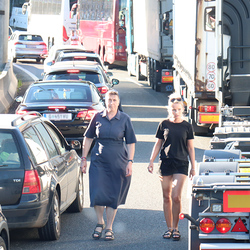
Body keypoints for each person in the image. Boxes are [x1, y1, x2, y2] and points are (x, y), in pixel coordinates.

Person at [81, 89, 137, 241]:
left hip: (119, 162)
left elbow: (131, 142)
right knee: (97, 193)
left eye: (114, 100)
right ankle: (100, 222)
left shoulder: (125, 119)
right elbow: (88, 138)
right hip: (99, 161)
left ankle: (109, 227)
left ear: (118, 102)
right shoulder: (97, 117)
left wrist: (130, 162)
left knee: (113, 195)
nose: (111, 103)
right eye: (109, 100)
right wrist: (84, 158)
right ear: (104, 101)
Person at [147, 93, 195, 241]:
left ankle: (176, 228)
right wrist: (151, 161)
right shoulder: (164, 124)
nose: (176, 112)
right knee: (166, 197)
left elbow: (191, 148)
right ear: (170, 110)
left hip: (181, 163)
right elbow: (158, 144)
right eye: (173, 110)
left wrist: (193, 166)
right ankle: (169, 229)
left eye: (179, 109)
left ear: (182, 110)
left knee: (176, 197)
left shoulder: (187, 126)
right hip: (166, 163)